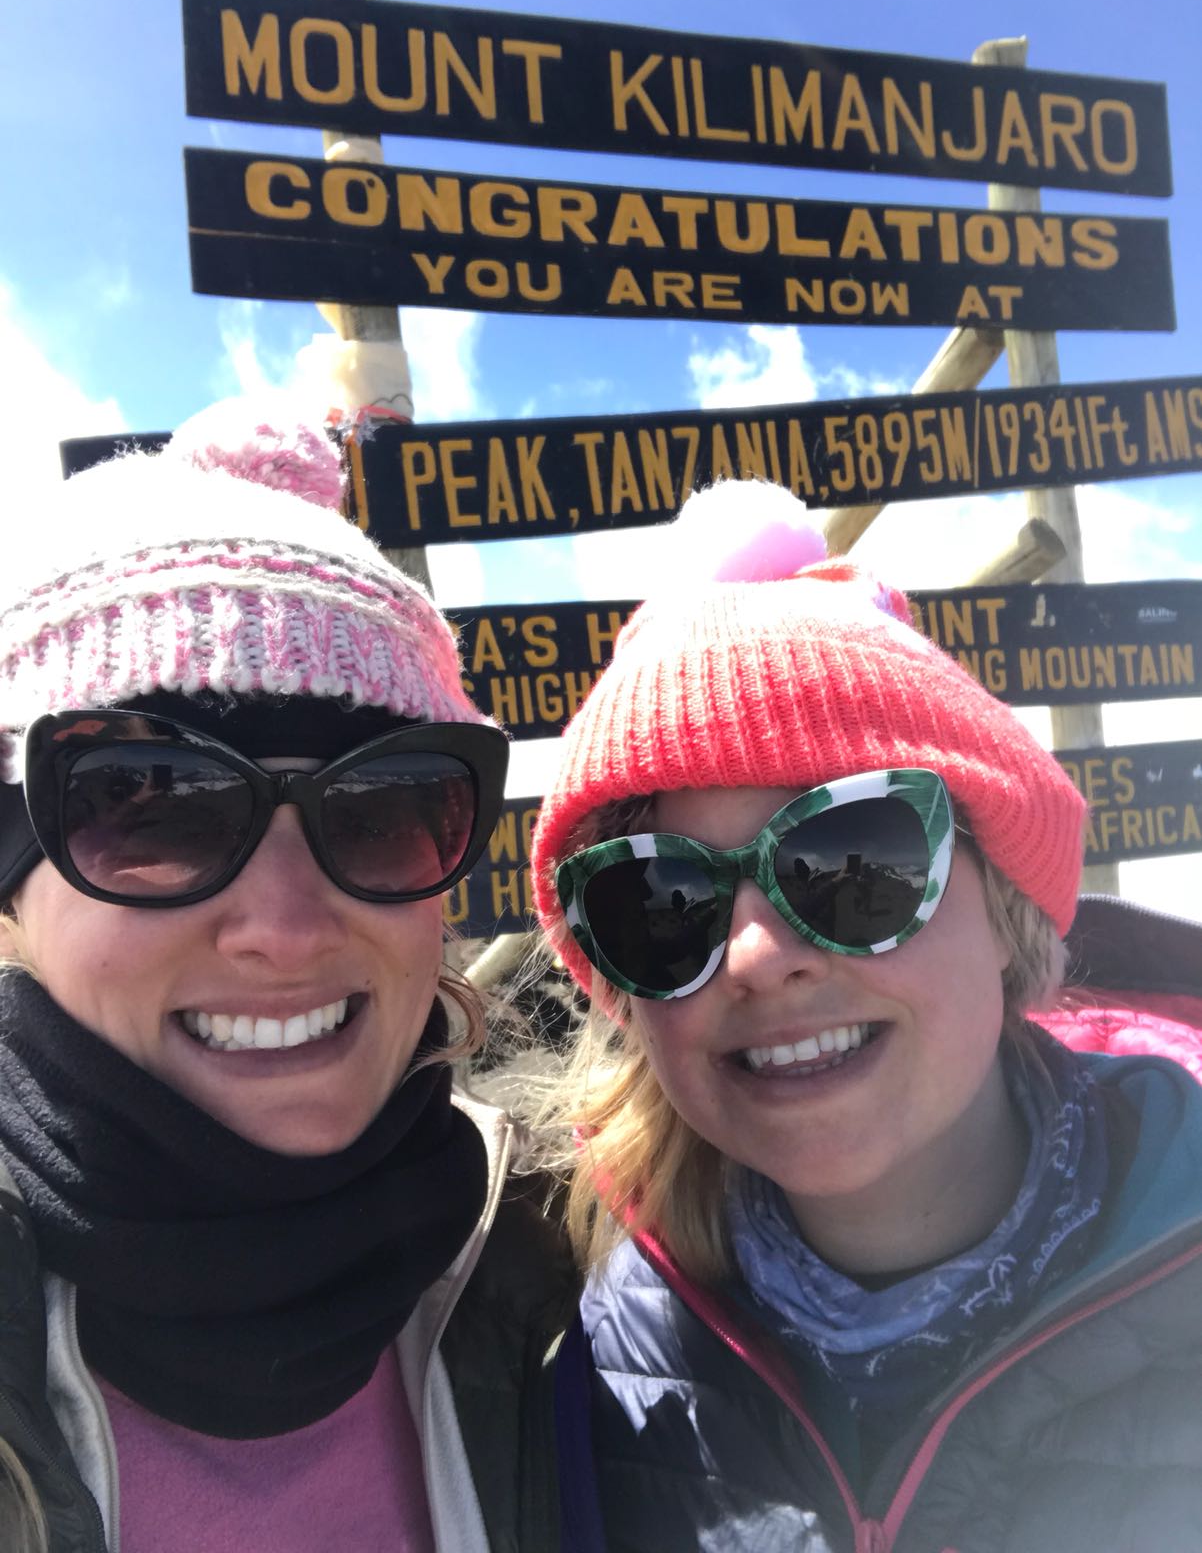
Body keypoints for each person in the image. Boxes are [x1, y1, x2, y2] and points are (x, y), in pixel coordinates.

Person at [528, 477, 1202, 1552]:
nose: (757, 958)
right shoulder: (586, 1366)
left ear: (1005, 907)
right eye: (662, 904)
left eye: (855, 860)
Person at [0, 404, 585, 1553]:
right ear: (15, 884)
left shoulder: (551, 1265)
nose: (284, 927)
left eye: (380, 810)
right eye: (151, 807)